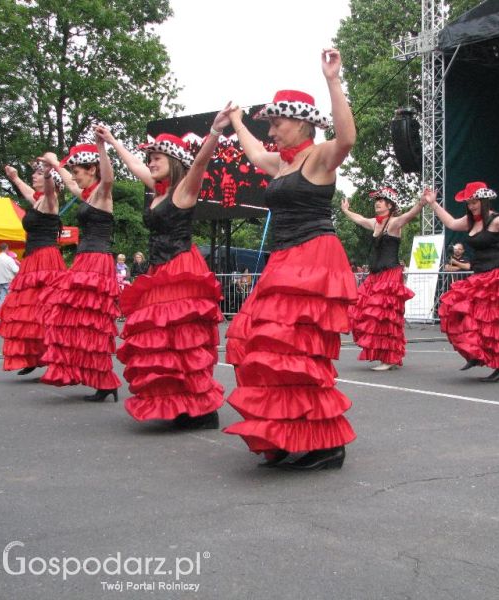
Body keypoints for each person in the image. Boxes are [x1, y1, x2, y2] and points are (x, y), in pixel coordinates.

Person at [224, 49, 358, 470]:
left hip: (314, 257)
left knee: (298, 353)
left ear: (300, 122)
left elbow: (348, 138)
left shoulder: (319, 158)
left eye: (277, 122)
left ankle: (326, 442)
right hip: (283, 260)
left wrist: (332, 81)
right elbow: (251, 152)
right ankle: (282, 429)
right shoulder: (279, 165)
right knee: (251, 342)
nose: (273, 129)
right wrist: (238, 123)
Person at [96, 107, 230, 429]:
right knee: (162, 340)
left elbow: (199, 164)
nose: (151, 162)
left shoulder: (184, 190)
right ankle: (181, 402)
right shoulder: (156, 191)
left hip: (181, 268)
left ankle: (201, 408)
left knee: (182, 339)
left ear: (172, 161)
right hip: (159, 271)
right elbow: (131, 163)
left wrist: (213, 133)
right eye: (150, 157)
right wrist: (111, 141)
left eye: (157, 157)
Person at [423, 183, 499, 382]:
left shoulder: (496, 220)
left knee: (487, 322)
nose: (471, 206)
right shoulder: (470, 221)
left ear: (484, 201)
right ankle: (475, 354)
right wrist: (433, 204)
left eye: (475, 202)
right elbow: (450, 223)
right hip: (479, 276)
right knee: (454, 309)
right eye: (469, 203)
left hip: (495, 276)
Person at [38, 137, 122, 402]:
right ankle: (98, 379)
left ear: (92, 170)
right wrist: (54, 163)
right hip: (85, 260)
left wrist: (101, 148)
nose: (74, 177)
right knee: (73, 321)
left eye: (78, 171)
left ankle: (105, 381)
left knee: (93, 325)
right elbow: (70, 182)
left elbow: (108, 177)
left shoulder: (102, 192)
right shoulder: (87, 195)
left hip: (97, 261)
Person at [341, 186, 422, 371]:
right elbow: (360, 219)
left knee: (384, 316)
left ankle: (389, 358)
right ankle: (387, 355)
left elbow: (409, 215)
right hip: (375, 276)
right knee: (360, 308)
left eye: (381, 201)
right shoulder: (375, 223)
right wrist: (346, 211)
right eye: (376, 201)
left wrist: (422, 202)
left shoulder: (393, 223)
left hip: (389, 275)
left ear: (390, 205)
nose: (377, 203)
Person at [0, 161, 67, 375]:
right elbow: (28, 191)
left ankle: (53, 356)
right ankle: (34, 356)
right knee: (29, 311)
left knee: (47, 310)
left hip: (46, 260)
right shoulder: (38, 201)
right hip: (32, 259)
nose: (33, 177)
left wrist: (47, 173)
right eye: (34, 174)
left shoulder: (50, 200)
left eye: (38, 174)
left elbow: (48, 189)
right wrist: (14, 177)